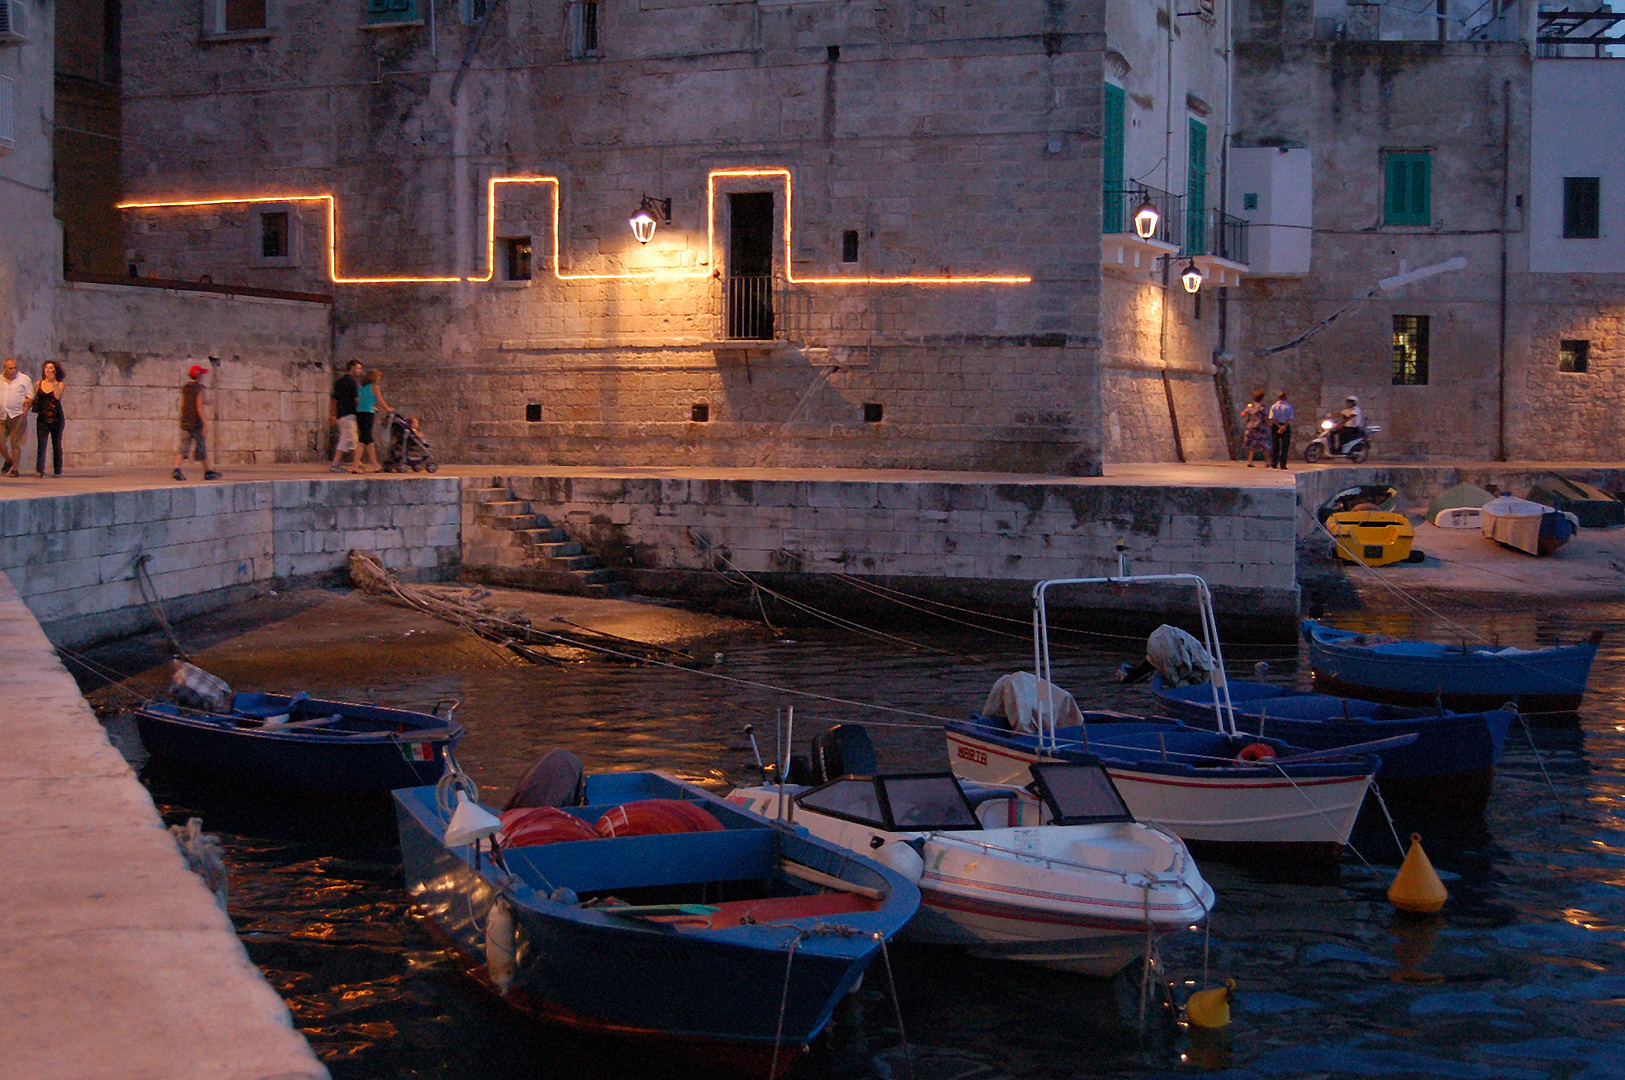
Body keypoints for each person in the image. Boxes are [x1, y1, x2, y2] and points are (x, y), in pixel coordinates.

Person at [174, 364, 222, 481]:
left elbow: (183, 404)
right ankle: (208, 471)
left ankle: (177, 469)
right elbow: (199, 406)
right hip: (196, 423)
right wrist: (205, 422)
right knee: (201, 447)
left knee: (183, 447)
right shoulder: (200, 388)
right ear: (199, 376)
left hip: (185, 421)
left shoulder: (185, 388)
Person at [356, 368, 394, 473]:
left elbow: (361, 400)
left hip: (360, 413)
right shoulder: (375, 387)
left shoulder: (362, 388)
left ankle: (375, 464)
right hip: (368, 414)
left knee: (368, 440)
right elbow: (380, 400)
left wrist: (372, 406)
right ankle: (355, 466)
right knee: (364, 440)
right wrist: (388, 408)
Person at [0, 357, 33, 477]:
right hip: (2, 415)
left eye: (15, 368)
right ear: (5, 369)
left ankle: (15, 468)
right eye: (10, 368)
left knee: (16, 443)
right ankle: (8, 460)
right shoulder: (0, 379)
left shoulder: (24, 379)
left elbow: (30, 396)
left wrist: (25, 411)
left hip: (17, 415)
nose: (13, 370)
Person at [329, 359, 364, 473]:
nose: (360, 371)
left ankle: (357, 462)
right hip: (349, 413)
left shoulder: (339, 382)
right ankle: (335, 464)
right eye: (358, 368)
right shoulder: (352, 382)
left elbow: (334, 399)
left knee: (352, 438)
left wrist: (333, 415)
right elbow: (357, 398)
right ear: (352, 368)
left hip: (341, 414)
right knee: (347, 439)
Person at [32, 361, 65, 478]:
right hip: (43, 417)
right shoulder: (38, 383)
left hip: (56, 417)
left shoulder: (60, 384)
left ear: (55, 371)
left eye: (51, 368)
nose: (48, 370)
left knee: (56, 443)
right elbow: (36, 399)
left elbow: (57, 397)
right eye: (46, 368)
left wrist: (54, 382)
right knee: (41, 443)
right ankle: (39, 469)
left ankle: (57, 470)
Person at [1240, 389, 1269, 467]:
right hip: (1260, 427)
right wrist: (1268, 427)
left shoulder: (1250, 406)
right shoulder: (1262, 407)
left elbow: (1243, 414)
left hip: (1250, 427)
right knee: (1263, 444)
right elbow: (1265, 418)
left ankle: (1250, 461)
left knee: (1251, 444)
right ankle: (1267, 462)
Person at [1267, 390, 1294, 470]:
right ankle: (1283, 464)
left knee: (1275, 445)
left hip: (1276, 426)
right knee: (1285, 445)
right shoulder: (1289, 406)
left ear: (1278, 398)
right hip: (1285, 426)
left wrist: (1279, 426)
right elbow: (1290, 418)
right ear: (1286, 398)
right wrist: (1284, 426)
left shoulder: (1274, 406)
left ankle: (1274, 463)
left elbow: (1272, 418)